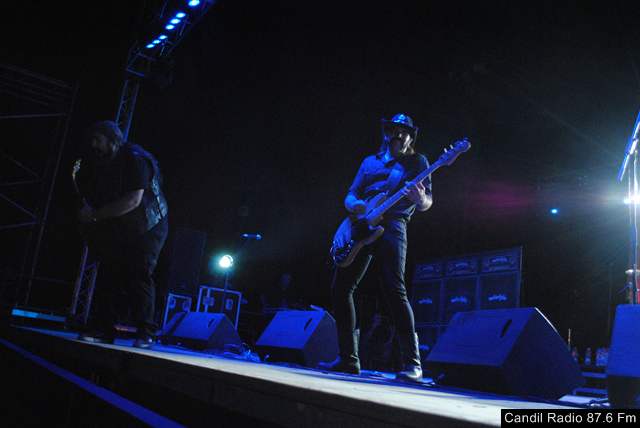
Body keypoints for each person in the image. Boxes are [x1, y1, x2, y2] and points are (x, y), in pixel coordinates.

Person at [319, 113, 432, 382]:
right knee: (341, 288)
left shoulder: (418, 162)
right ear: (386, 133)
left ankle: (413, 364)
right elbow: (351, 193)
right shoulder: (369, 162)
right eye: (395, 130)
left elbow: (428, 202)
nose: (399, 135)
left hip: (393, 225)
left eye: (405, 132)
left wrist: (420, 199)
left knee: (394, 289)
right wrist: (355, 205)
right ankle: (348, 359)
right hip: (361, 225)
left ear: (411, 137)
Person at [75, 121, 169, 348]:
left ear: (113, 141)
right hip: (126, 227)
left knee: (139, 274)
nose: (93, 145)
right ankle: (103, 329)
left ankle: (146, 333)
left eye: (98, 140)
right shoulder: (106, 163)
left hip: (149, 226)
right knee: (109, 273)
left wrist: (95, 215)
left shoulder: (135, 159)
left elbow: (133, 201)